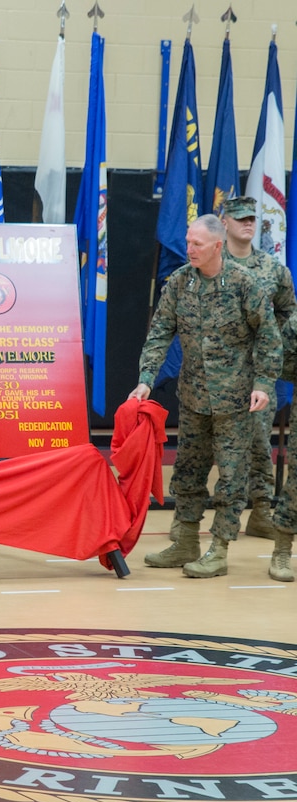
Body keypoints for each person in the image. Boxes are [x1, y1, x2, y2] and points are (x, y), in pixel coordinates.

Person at [129, 214, 282, 578]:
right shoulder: (181, 283)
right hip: (195, 398)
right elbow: (161, 331)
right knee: (188, 471)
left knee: (230, 478)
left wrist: (263, 382)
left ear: (217, 245)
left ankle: (219, 548)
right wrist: (146, 379)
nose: (189, 249)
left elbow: (269, 336)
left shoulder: (245, 283)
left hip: (236, 402)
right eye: (187, 242)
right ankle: (184, 540)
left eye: (197, 244)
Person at [163, 197, 297, 556]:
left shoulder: (269, 270)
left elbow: (283, 315)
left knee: (252, 450)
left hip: (252, 381)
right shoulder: (193, 274)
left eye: (253, 218)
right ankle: (186, 527)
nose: (248, 224)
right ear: (225, 225)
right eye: (240, 219)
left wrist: (269, 363)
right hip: (204, 384)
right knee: (194, 456)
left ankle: (259, 510)